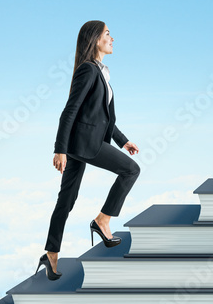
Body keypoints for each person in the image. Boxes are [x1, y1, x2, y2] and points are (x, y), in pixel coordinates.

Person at [37, 20, 140, 280]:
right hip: (84, 145)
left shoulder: (101, 72)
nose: (112, 38)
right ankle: (102, 221)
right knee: (130, 170)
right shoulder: (88, 70)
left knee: (66, 200)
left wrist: (122, 140)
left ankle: (50, 254)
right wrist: (59, 149)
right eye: (107, 33)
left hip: (81, 143)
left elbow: (100, 117)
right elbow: (70, 110)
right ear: (95, 39)